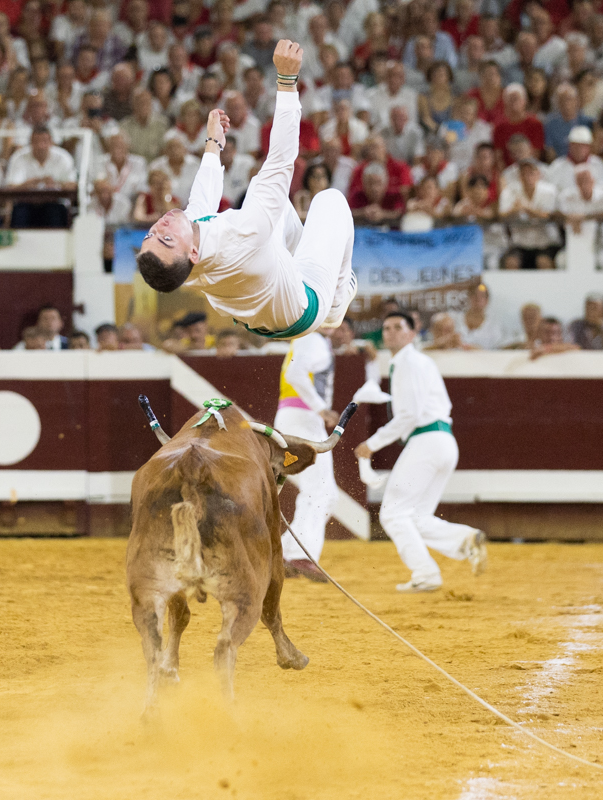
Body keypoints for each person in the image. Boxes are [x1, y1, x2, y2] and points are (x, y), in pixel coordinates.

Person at [135, 41, 357, 342]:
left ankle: (307, 275)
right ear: (193, 253)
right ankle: (336, 303)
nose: (160, 226)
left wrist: (213, 142)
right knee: (329, 200)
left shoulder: (186, 262)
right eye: (167, 238)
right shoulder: (243, 234)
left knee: (260, 195)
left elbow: (201, 202)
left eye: (151, 235)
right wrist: (287, 82)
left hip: (268, 296)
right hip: (307, 305)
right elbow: (281, 159)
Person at [354, 311, 486, 592]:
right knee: (415, 517)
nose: (390, 332)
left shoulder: (408, 363)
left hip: (425, 440)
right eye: (386, 327)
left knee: (392, 514)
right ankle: (464, 539)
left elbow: (409, 415)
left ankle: (426, 574)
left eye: (398, 327)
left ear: (412, 334)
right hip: (442, 441)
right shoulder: (417, 362)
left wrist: (371, 444)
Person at [275, 327, 339, 582]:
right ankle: (300, 554)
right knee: (320, 490)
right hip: (304, 418)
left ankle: (287, 552)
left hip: (296, 417)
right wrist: (322, 409)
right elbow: (295, 373)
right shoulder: (313, 339)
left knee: (324, 492)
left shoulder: (306, 338)